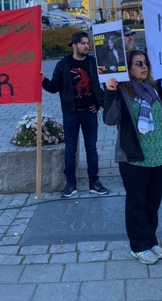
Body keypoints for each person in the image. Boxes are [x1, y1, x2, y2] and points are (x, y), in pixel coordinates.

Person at [103, 50, 162, 265]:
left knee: (152, 203)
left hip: (159, 156)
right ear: (128, 68)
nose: (144, 66)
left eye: (146, 62)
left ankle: (150, 239)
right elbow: (110, 119)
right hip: (134, 158)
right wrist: (109, 93)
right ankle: (138, 246)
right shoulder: (121, 91)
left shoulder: (155, 89)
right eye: (138, 63)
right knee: (136, 204)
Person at [42, 31, 109, 197]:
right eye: (83, 43)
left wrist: (100, 103)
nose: (87, 46)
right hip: (70, 114)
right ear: (74, 46)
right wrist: (43, 80)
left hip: (89, 113)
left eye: (87, 43)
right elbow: (54, 87)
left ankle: (94, 182)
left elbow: (104, 83)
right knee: (70, 149)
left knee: (91, 148)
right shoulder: (63, 64)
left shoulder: (93, 62)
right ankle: (70, 183)